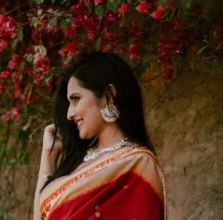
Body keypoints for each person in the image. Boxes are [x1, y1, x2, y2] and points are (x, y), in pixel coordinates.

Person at [33, 52, 166, 220]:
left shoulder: (137, 164)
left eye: (76, 99)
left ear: (108, 96)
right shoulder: (80, 162)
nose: (69, 113)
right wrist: (49, 157)